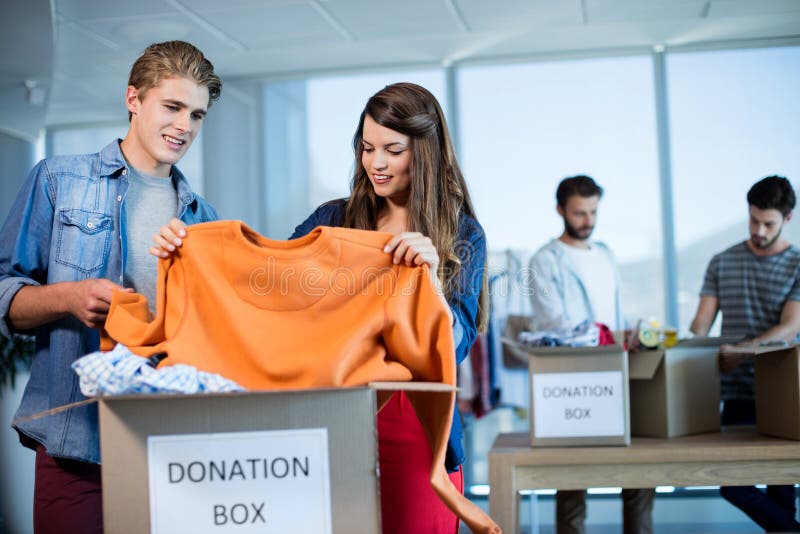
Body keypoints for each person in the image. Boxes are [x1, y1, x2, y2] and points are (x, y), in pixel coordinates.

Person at [154, 82, 488, 533]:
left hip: (420, 436)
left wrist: (429, 282)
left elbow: (455, 345)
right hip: (334, 427)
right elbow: (265, 288)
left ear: (425, 151)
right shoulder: (333, 221)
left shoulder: (462, 235)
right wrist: (190, 248)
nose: (377, 163)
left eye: (393, 150)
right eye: (368, 148)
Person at [0, 41, 221, 533]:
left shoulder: (203, 219)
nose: (185, 125)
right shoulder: (58, 181)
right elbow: (3, 292)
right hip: (75, 444)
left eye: (197, 114)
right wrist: (69, 298)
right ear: (133, 99)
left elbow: (210, 336)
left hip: (168, 447)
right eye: (173, 106)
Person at [528, 175, 654, 534]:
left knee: (637, 468)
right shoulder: (544, 261)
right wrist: (611, 336)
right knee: (573, 474)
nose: (588, 221)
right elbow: (557, 325)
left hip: (618, 368)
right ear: (560, 211)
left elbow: (615, 310)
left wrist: (632, 332)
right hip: (575, 376)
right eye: (579, 213)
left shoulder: (607, 255)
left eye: (593, 212)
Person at [690, 175, 800, 532]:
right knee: (732, 482)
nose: (759, 230)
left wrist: (743, 351)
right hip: (735, 390)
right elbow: (700, 327)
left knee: (782, 486)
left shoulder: (798, 264)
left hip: (783, 392)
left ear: (787, 218)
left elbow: (790, 328)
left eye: (768, 223)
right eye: (753, 220)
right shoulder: (722, 262)